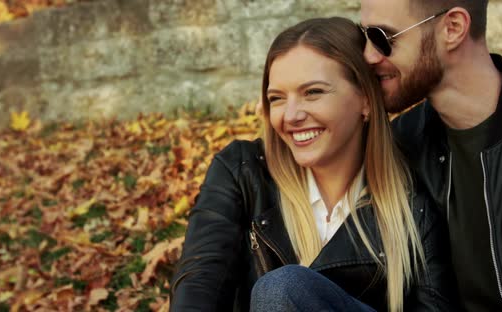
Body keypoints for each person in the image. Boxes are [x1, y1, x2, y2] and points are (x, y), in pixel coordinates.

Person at [170, 17, 457, 312]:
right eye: (277, 98)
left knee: (283, 289)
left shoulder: (410, 202)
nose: (291, 115)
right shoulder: (242, 172)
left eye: (313, 92)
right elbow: (199, 282)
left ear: (366, 101)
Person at [359, 0, 502, 311]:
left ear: (453, 28)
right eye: (361, 37)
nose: (368, 55)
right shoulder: (402, 143)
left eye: (382, 38)